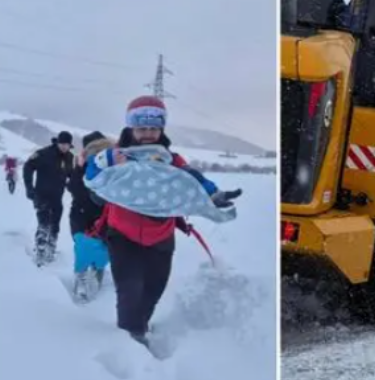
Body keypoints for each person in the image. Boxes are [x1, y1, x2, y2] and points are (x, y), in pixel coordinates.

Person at [85, 96, 241, 345]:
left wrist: (214, 194)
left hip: (161, 236)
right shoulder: (115, 155)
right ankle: (130, 340)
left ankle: (141, 324)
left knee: (154, 289)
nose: (148, 134)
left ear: (161, 129)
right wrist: (107, 164)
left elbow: (194, 180)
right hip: (122, 234)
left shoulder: (171, 160)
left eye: (154, 128)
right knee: (129, 291)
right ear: (130, 128)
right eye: (142, 128)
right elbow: (91, 173)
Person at [67, 131, 113, 301]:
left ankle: (97, 272)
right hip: (81, 214)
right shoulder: (82, 166)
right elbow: (74, 189)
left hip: (106, 217)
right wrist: (79, 168)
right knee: (83, 246)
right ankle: (81, 276)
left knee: (104, 249)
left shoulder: (113, 167)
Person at [23, 131, 74, 266]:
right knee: (44, 224)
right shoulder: (44, 154)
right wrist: (29, 188)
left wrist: (73, 188)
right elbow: (28, 166)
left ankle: (51, 249)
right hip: (41, 195)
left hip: (57, 197)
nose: (64, 147)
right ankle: (40, 252)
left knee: (55, 225)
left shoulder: (69, 157)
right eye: (62, 144)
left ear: (70, 145)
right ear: (57, 142)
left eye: (67, 144)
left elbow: (71, 176)